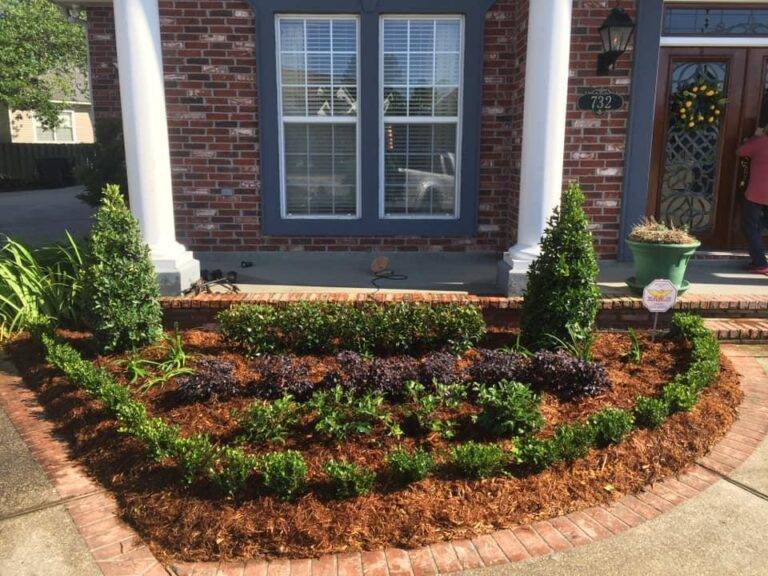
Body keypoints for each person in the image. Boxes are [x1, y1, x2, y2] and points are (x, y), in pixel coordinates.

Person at [737, 125, 768, 273]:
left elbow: (740, 151)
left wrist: (755, 136)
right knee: (757, 225)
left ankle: (760, 263)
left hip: (757, 193)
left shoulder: (761, 141)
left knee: (750, 226)